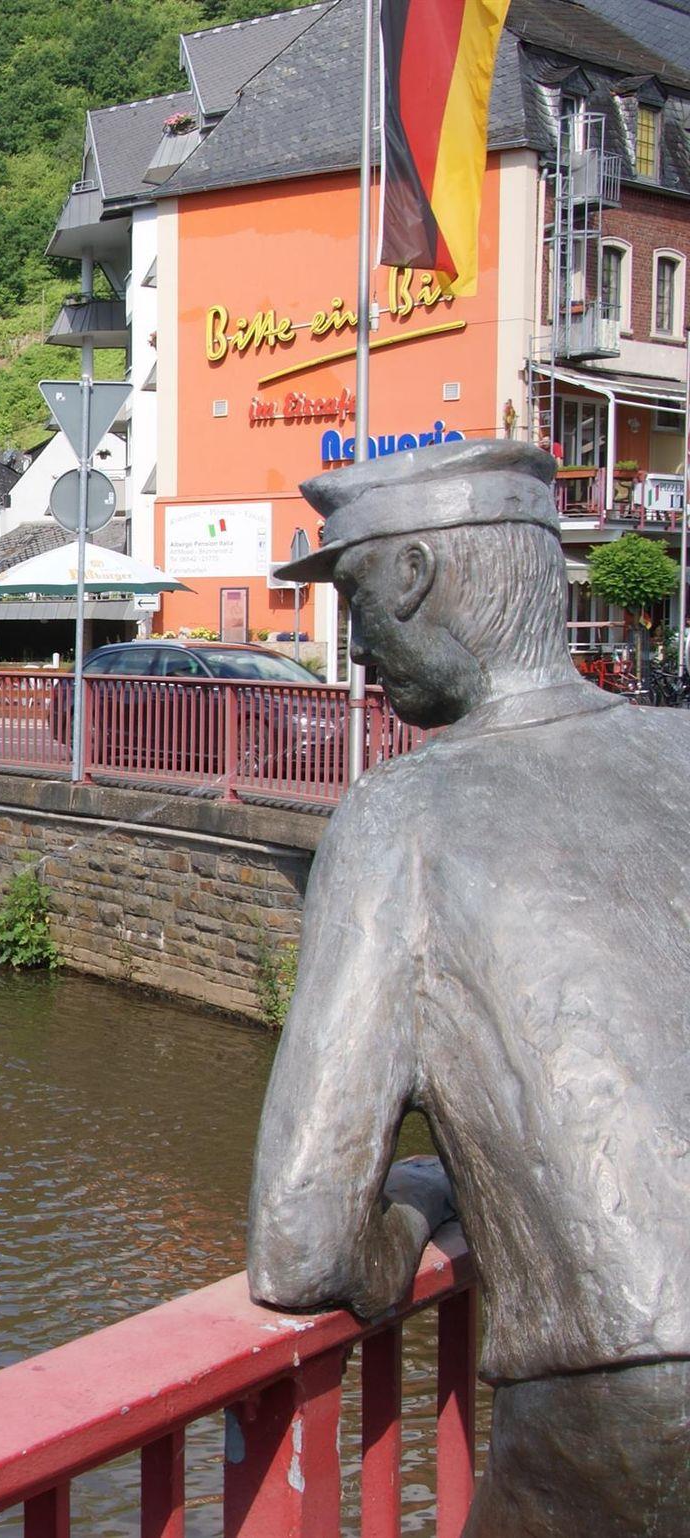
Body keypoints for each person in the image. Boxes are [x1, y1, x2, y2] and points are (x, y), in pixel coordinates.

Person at [251, 438, 689, 1537]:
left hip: (634, 1401)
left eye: (355, 600)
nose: (357, 645)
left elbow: (301, 1243)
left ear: (411, 576)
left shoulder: (402, 813)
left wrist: (414, 1209)